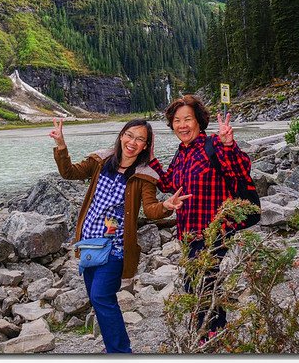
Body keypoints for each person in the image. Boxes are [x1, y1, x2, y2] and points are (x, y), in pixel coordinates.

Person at [50, 118, 191, 353]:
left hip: (115, 247)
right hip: (89, 243)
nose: (133, 142)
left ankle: (121, 352)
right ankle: (115, 349)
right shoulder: (100, 160)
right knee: (99, 300)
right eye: (129, 135)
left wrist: (166, 205)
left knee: (101, 296)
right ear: (121, 135)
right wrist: (61, 145)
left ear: (146, 146)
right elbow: (68, 172)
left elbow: (151, 209)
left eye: (140, 139)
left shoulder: (145, 175)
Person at [148, 94, 255, 338]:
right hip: (189, 233)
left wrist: (229, 145)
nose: (182, 125)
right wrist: (152, 160)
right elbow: (169, 184)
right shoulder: (182, 152)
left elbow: (241, 168)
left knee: (201, 280)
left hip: (215, 229)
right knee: (198, 282)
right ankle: (210, 332)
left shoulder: (214, 144)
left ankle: (211, 334)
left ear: (199, 121)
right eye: (176, 120)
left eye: (188, 119)